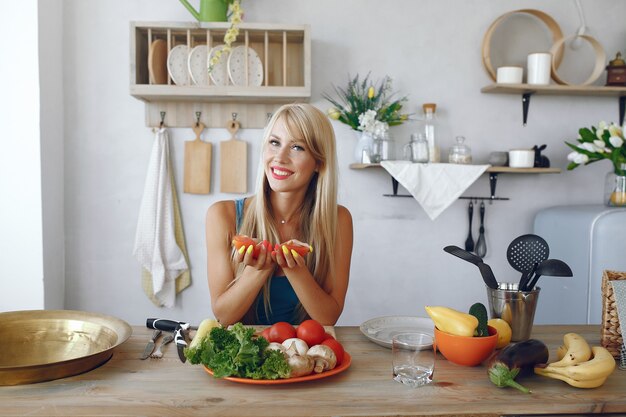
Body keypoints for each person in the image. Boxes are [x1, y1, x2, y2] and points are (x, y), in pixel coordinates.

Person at [205, 103, 353, 326]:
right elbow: (223, 316)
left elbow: (329, 317)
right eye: (274, 143)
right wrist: (257, 271)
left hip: (305, 354)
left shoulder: (339, 220)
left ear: (319, 163)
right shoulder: (222, 215)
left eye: (297, 147)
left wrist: (295, 270)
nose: (280, 157)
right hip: (246, 356)